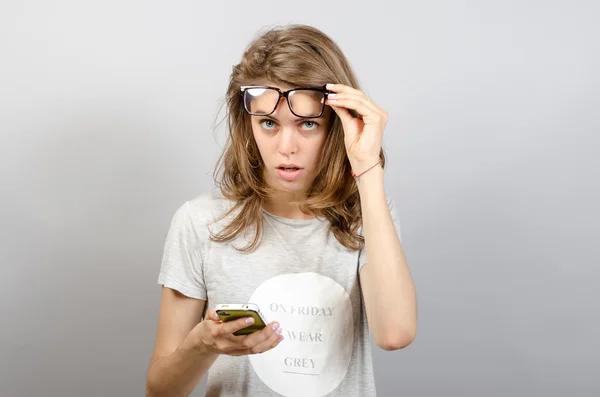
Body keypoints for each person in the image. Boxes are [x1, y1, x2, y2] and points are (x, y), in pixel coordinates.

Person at [145, 24, 417, 397]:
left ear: (337, 125)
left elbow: (395, 333)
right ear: (247, 123)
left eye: (308, 124)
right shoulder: (200, 222)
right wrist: (203, 346)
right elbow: (161, 390)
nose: (286, 147)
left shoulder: (368, 215)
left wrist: (367, 167)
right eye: (269, 123)